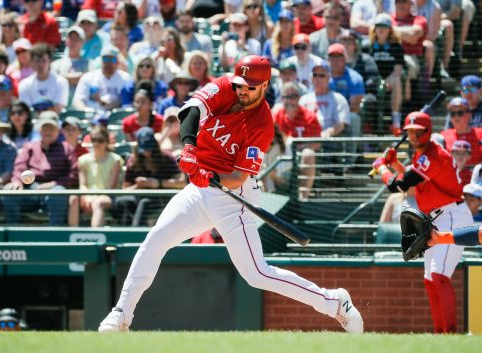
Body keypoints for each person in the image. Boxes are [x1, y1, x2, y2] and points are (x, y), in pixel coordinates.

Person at [98, 55, 364, 334]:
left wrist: (207, 174)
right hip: (200, 189)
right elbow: (189, 112)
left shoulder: (262, 124)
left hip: (233, 195)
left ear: (264, 86)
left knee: (256, 273)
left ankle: (334, 302)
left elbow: (238, 177)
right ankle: (121, 315)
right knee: (156, 239)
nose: (243, 90)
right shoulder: (225, 86)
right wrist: (189, 148)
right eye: (240, 84)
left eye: (250, 86)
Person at [371, 111, 474, 333]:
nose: (414, 136)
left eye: (419, 132)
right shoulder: (422, 156)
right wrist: (396, 163)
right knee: (430, 279)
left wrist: (381, 167)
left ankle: (450, 333)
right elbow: (416, 181)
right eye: (410, 132)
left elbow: (398, 186)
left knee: (439, 277)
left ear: (428, 132)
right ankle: (440, 334)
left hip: (452, 216)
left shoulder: (432, 155)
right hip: (436, 218)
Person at [1, 111, 78, 226]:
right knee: (9, 192)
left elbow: (73, 174)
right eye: (44, 128)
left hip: (54, 190)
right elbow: (19, 166)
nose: (48, 132)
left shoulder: (67, 148)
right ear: (39, 130)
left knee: (59, 192)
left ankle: (55, 234)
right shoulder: (29, 147)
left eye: (51, 128)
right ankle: (14, 234)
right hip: (31, 190)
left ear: (58, 130)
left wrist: (53, 184)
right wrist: (17, 181)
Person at [272, 81, 321, 199]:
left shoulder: (309, 116)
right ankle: (270, 194)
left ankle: (303, 197)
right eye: (285, 97)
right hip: (280, 157)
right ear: (282, 99)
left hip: (300, 158)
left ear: (299, 98)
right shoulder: (276, 115)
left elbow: (317, 143)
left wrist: (297, 147)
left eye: (293, 97)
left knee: (309, 153)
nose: (289, 101)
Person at [68, 125, 123, 227]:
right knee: (74, 198)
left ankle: (95, 237)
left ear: (106, 141)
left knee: (98, 202)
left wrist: (93, 199)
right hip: (88, 196)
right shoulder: (83, 160)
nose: (96, 144)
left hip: (108, 197)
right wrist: (87, 197)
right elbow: (83, 185)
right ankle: (72, 233)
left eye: (100, 140)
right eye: (94, 140)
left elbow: (111, 188)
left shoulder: (115, 160)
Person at [368, 13, 405, 135]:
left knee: (397, 80)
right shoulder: (368, 46)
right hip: (373, 81)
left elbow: (398, 70)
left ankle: (396, 124)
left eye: (384, 26)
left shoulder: (396, 47)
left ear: (390, 29)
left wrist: (387, 81)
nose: (381, 29)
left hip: (391, 80)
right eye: (378, 26)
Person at [299, 62, 350, 138]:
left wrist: (329, 132)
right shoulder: (304, 99)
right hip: (307, 138)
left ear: (329, 78)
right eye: (315, 75)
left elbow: (341, 124)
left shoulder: (338, 99)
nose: (317, 79)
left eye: (322, 75)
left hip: (329, 141)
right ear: (311, 78)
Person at [72, 46, 131, 112]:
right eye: (105, 59)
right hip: (92, 116)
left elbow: (127, 104)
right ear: (101, 60)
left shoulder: (125, 78)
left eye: (113, 59)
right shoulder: (88, 77)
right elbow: (78, 101)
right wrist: (87, 112)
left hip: (116, 116)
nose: (109, 62)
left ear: (117, 62)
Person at [19, 43, 68, 113]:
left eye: (44, 61)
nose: (40, 64)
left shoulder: (61, 82)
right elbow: (26, 111)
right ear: (32, 62)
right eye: (37, 61)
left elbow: (59, 108)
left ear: (50, 61)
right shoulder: (24, 84)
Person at [51, 26, 89, 102]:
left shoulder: (89, 64)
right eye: (71, 38)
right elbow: (53, 81)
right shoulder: (56, 64)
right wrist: (80, 76)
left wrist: (63, 76)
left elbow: (89, 81)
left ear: (83, 42)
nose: (73, 42)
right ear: (66, 41)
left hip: (82, 105)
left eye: (76, 39)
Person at [441, 97, 482, 166]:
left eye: (460, 113)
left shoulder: (480, 134)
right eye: (453, 114)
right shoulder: (443, 136)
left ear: (469, 115)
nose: (456, 117)